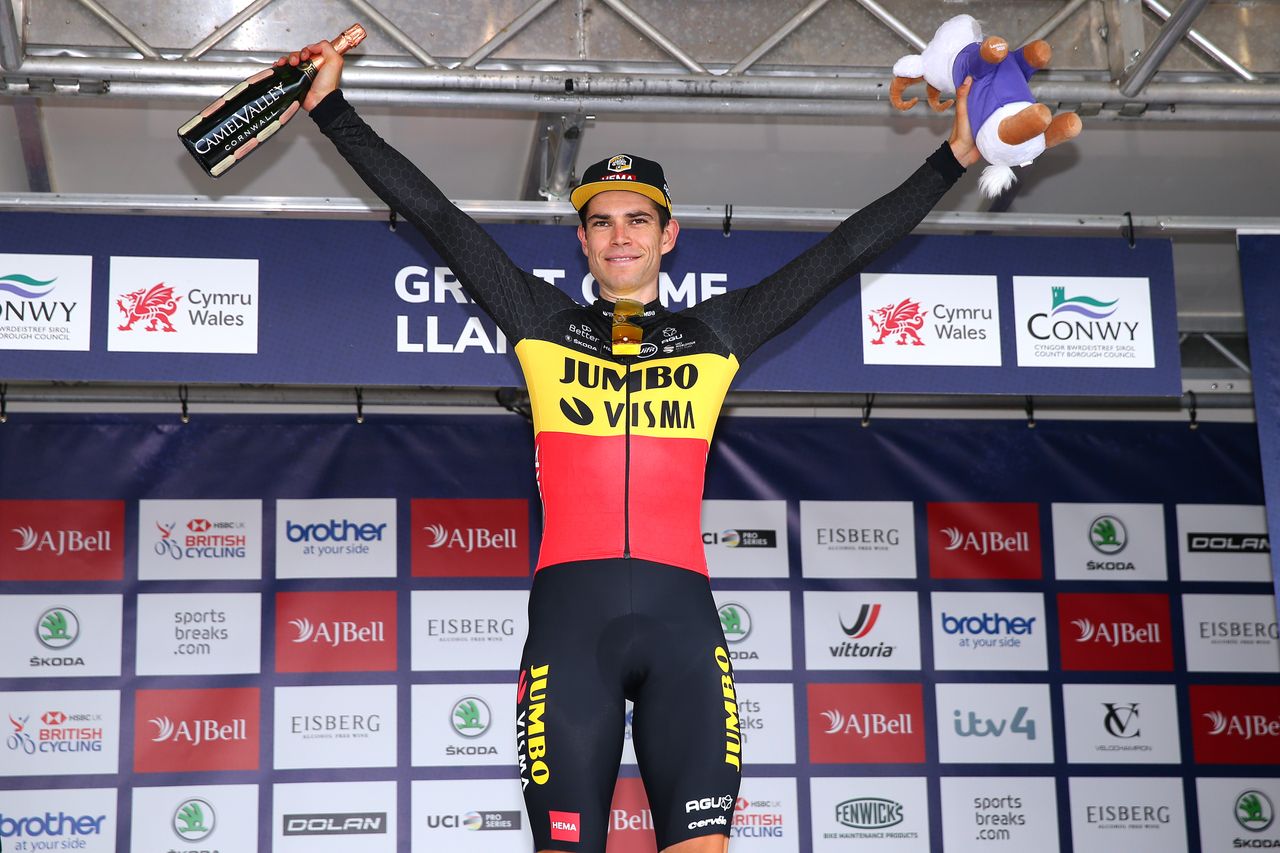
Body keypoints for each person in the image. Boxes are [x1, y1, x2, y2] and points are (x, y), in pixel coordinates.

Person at [279, 39, 978, 853]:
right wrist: (331, 111)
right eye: (601, 223)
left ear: (668, 234)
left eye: (637, 220)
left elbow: (844, 252)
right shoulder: (540, 321)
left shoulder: (716, 331)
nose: (620, 237)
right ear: (581, 241)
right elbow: (440, 219)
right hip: (572, 626)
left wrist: (952, 158)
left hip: (684, 624)